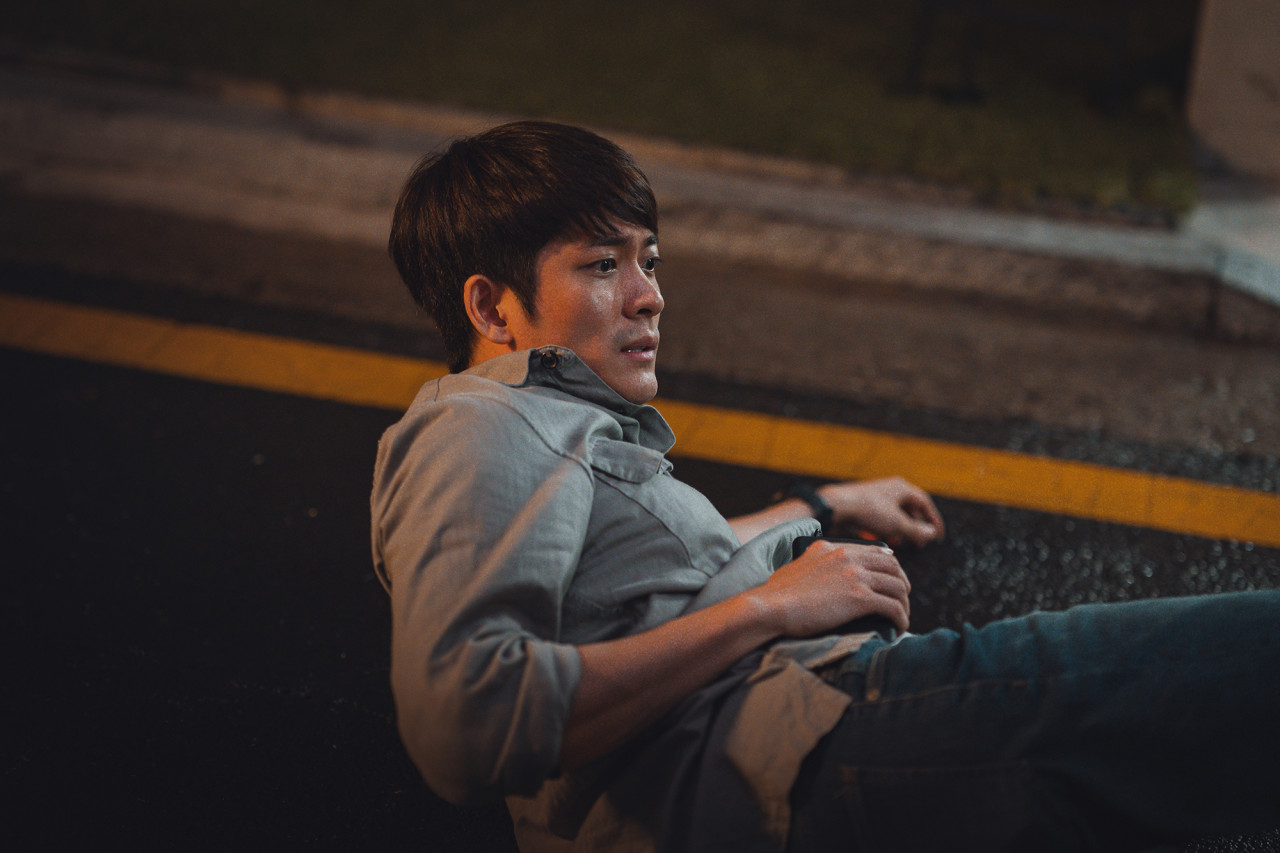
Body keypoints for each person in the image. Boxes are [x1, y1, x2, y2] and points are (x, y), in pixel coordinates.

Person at [372, 120, 1279, 852]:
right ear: (491, 307)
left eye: (649, 260)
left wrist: (822, 505)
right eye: (603, 264)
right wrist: (768, 607)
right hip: (807, 738)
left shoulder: (541, 426)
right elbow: (466, 719)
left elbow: (648, 591)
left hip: (796, 739)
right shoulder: (480, 424)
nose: (648, 295)